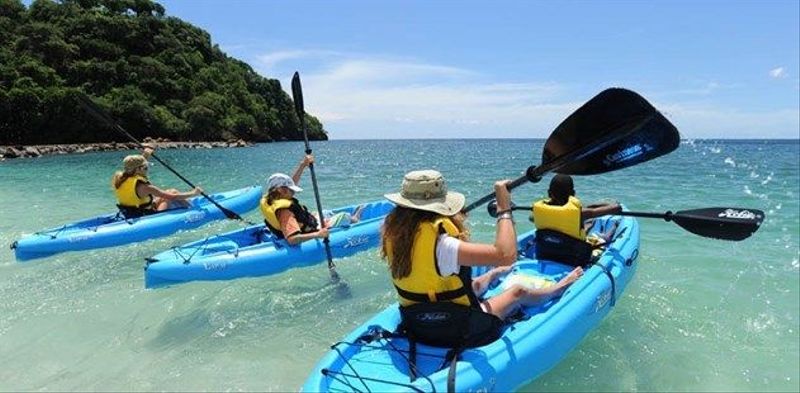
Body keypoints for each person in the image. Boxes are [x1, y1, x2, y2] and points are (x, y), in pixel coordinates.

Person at [381, 170, 583, 348]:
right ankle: (559, 288)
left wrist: (492, 271)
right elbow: (506, 255)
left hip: (416, 322)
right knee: (517, 292)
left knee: (471, 284)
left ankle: (493, 275)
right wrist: (504, 208)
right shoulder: (444, 245)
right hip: (458, 329)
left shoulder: (396, 237)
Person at [260, 154, 363, 245]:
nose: (294, 192)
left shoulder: (272, 197)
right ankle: (354, 219)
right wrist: (318, 235)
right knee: (344, 216)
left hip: (309, 223)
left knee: (325, 212)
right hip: (312, 230)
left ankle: (330, 219)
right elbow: (292, 239)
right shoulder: (285, 212)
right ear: (281, 190)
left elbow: (292, 183)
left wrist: (303, 165)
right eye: (291, 190)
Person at [530, 174, 622, 265]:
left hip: (545, 255)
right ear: (573, 194)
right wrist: (615, 205)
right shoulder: (581, 214)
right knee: (597, 236)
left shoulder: (538, 212)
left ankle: (588, 227)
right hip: (574, 260)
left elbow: (531, 218)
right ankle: (610, 231)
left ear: (549, 193)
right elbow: (616, 208)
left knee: (583, 226)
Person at [111, 145, 202, 218]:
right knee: (172, 193)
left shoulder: (120, 178)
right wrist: (194, 193)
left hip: (129, 213)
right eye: (145, 168)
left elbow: (134, 165)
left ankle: (192, 208)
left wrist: (145, 155)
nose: (147, 170)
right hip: (146, 216)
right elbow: (173, 197)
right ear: (138, 169)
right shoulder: (145, 187)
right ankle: (195, 212)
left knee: (171, 190)